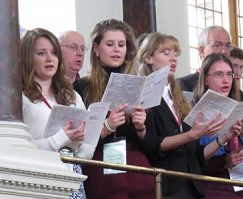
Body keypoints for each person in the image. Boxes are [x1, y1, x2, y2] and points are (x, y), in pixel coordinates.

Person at [137, 32, 238, 199]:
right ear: (148, 58)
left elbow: (196, 155)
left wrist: (223, 139)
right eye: (166, 53)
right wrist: (191, 134)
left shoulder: (178, 97)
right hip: (166, 187)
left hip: (192, 187)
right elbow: (152, 144)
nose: (174, 58)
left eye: (176, 54)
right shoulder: (144, 93)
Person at [73, 19, 155, 199]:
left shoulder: (139, 84)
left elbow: (153, 144)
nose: (117, 49)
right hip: (100, 164)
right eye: (110, 44)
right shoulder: (81, 87)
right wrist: (107, 126)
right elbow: (78, 140)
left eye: (121, 44)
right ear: (96, 48)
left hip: (137, 166)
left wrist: (141, 127)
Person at [21, 28, 92, 199]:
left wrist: (78, 141)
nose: (49, 58)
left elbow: (86, 152)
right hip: (37, 178)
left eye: (54, 52)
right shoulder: (19, 97)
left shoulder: (72, 95)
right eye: (41, 53)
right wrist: (61, 138)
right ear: (27, 58)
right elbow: (19, 149)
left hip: (72, 175)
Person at [193, 53, 243, 199]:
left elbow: (238, 165)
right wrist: (224, 162)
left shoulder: (238, 111)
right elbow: (194, 161)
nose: (225, 80)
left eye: (229, 74)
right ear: (205, 79)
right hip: (212, 191)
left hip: (239, 192)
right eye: (218, 74)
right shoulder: (198, 114)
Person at [176, 26, 232, 92]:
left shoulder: (236, 92)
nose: (224, 51)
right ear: (202, 51)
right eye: (217, 45)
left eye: (228, 46)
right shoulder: (184, 85)